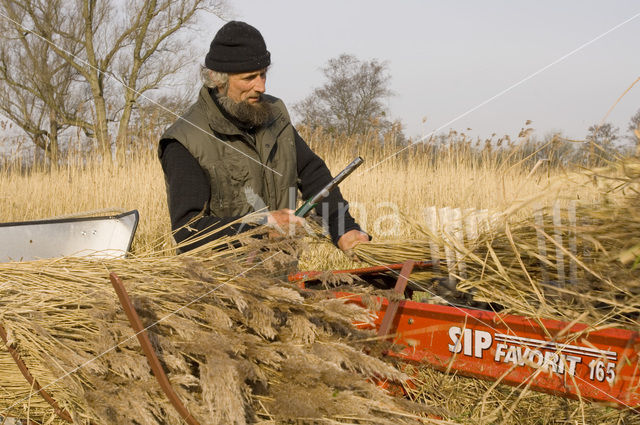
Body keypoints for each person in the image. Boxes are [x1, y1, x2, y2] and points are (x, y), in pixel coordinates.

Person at [158, 21, 369, 253]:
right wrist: (261, 225)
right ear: (218, 79)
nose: (261, 86)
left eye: (263, 74)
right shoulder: (185, 140)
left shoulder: (275, 116)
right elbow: (188, 232)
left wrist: (344, 228)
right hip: (218, 284)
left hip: (281, 280)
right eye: (250, 78)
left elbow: (313, 174)